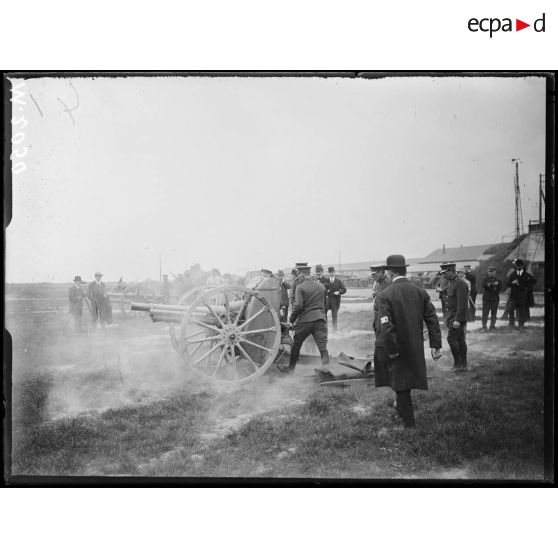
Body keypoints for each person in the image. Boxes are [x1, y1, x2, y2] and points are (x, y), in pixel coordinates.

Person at [374, 255, 442, 428]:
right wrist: (435, 345)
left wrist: (392, 350)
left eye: (387, 271)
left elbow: (386, 326)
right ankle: (401, 409)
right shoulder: (420, 291)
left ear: (390, 272)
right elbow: (432, 319)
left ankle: (409, 425)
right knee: (405, 383)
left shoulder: (385, 294)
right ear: (404, 270)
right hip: (415, 347)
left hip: (396, 348)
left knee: (401, 386)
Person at [288, 264, 329, 374]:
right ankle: (328, 372)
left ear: (300, 274)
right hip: (320, 320)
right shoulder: (321, 286)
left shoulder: (300, 287)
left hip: (305, 321)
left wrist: (291, 320)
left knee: (296, 346)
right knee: (323, 348)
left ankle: (290, 371)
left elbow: (298, 306)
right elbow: (326, 305)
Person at [440, 262, 469, 371]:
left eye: (444, 273)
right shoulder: (452, 283)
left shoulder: (460, 284)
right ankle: (463, 365)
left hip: (457, 318)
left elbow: (462, 304)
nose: (443, 275)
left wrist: (457, 320)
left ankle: (458, 365)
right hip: (452, 317)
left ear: (450, 271)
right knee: (460, 340)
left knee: (451, 339)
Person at [506, 258, 536, 331]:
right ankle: (511, 324)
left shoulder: (527, 274)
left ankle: (520, 325)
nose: (518, 267)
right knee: (510, 309)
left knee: (522, 311)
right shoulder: (513, 274)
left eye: (519, 266)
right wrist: (513, 283)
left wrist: (525, 285)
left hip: (522, 296)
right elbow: (508, 284)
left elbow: (533, 281)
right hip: (513, 296)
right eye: (517, 266)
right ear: (515, 266)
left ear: (522, 266)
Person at [325, 266, 347, 332]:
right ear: (329, 273)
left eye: (332, 272)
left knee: (334, 315)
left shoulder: (338, 281)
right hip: (328, 300)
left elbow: (344, 289)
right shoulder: (326, 281)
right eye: (330, 272)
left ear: (334, 272)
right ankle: (325, 330)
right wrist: (326, 291)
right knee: (324, 314)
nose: (331, 274)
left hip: (335, 300)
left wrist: (339, 292)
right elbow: (322, 288)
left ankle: (334, 331)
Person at [480, 266, 502, 332]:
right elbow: (483, 285)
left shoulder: (498, 280)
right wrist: (488, 285)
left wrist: (495, 286)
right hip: (486, 299)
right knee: (485, 313)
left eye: (491, 272)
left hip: (495, 299)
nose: (490, 273)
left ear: (495, 272)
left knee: (494, 314)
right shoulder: (485, 279)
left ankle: (492, 327)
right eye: (489, 272)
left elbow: (500, 288)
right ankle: (484, 327)